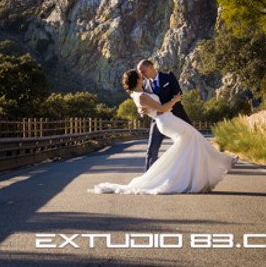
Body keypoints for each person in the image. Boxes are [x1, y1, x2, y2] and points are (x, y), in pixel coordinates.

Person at [88, 69, 237, 195]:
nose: (143, 77)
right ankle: (221, 163)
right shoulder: (141, 95)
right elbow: (162, 108)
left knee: (189, 144)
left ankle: (198, 175)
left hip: (167, 119)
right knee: (194, 137)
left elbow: (149, 106)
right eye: (140, 76)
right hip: (166, 120)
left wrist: (146, 110)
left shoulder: (139, 93)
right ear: (138, 80)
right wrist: (175, 99)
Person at [137, 58, 191, 171]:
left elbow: (178, 95)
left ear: (150, 67)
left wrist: (165, 109)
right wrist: (141, 110)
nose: (142, 75)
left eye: (143, 71)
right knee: (152, 150)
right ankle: (148, 176)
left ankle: (190, 170)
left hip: (177, 116)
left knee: (190, 142)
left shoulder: (168, 76)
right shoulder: (145, 85)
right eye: (140, 73)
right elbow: (143, 102)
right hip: (158, 120)